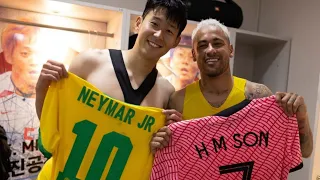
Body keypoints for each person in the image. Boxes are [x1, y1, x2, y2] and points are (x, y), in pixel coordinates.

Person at [35, 0, 187, 178]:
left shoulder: (166, 92)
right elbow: (51, 127)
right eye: (154, 24)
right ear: (139, 23)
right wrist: (41, 90)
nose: (159, 35)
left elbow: (152, 155)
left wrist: (163, 142)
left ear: (176, 41)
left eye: (169, 31)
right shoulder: (89, 63)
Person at [150, 18, 313, 158]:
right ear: (194, 54)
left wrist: (302, 116)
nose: (210, 50)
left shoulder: (257, 95)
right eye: (202, 46)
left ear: (231, 50)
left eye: (217, 43)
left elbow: (304, 152)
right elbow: (170, 154)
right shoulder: (178, 101)